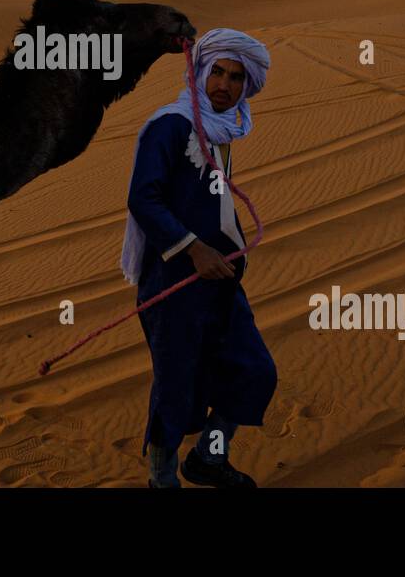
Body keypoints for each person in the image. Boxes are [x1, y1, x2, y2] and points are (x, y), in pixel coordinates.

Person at [120, 28, 276, 488]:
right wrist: (194, 248)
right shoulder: (170, 125)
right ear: (202, 71)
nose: (224, 85)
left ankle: (207, 460)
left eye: (235, 78)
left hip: (221, 282)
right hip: (173, 282)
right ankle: (162, 480)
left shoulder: (221, 127)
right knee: (176, 387)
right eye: (218, 73)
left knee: (253, 370)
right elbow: (143, 198)